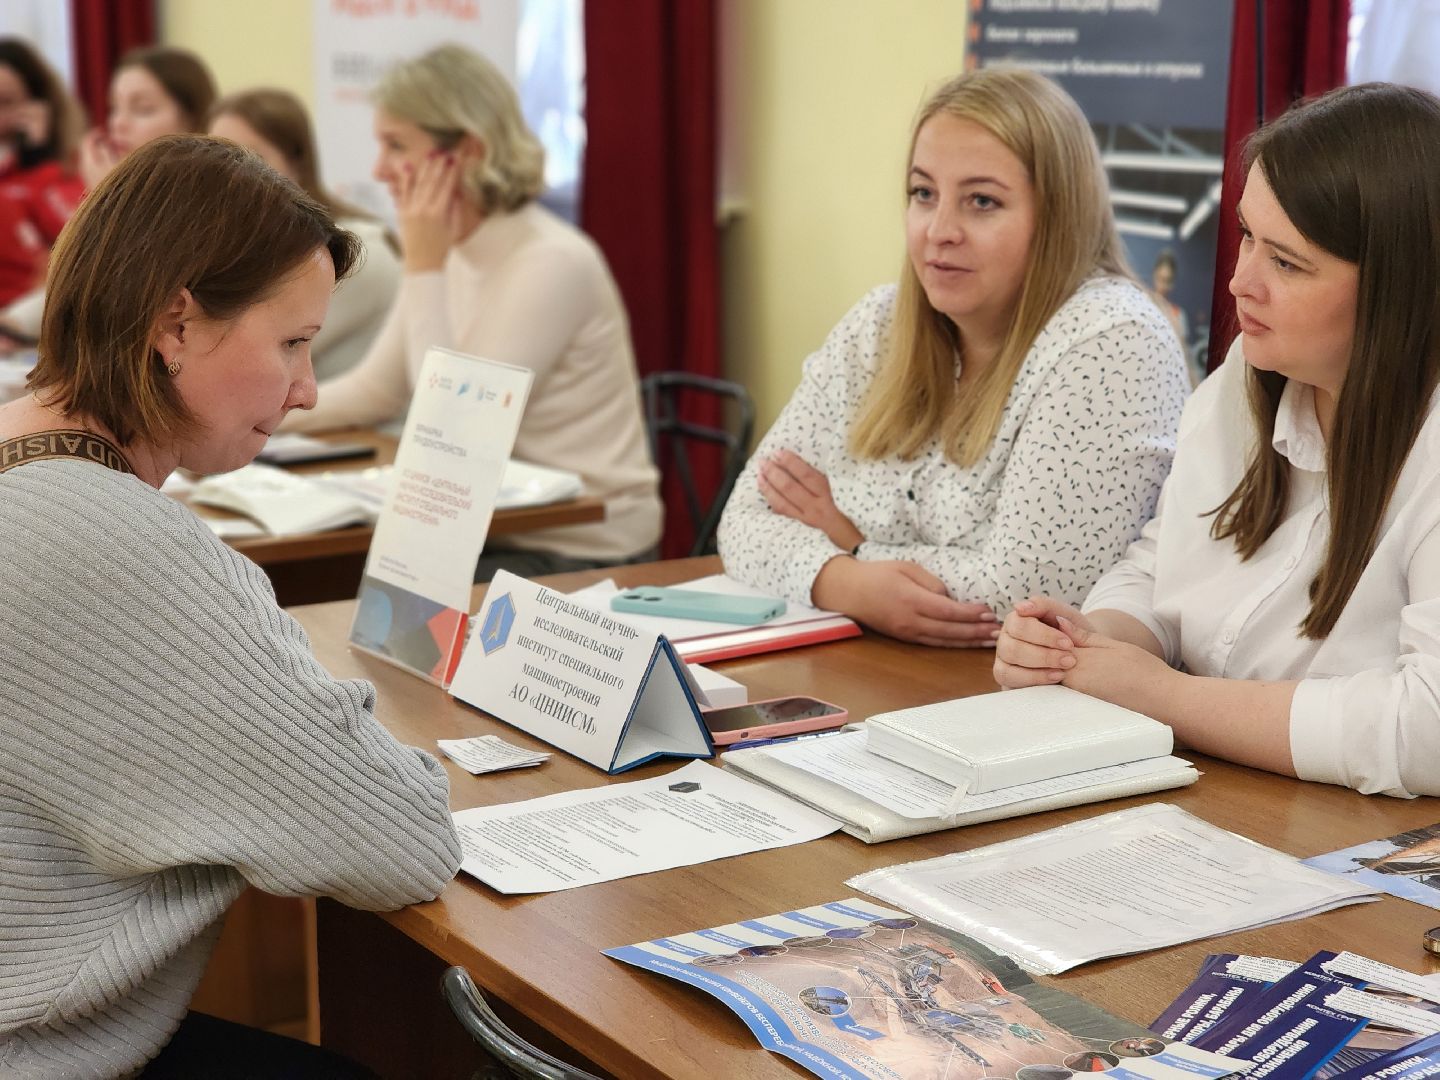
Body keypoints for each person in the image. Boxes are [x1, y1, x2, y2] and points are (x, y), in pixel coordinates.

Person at [0, 135, 463, 1076]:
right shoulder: (118, 542)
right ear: (177, 326)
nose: (307, 390)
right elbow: (400, 842)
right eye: (292, 342)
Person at [993, 83, 1440, 800]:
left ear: (1401, 287)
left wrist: (1157, 695)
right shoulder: (1250, 376)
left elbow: (1427, 732)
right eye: (1246, 236)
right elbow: (1160, 565)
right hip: (1214, 795)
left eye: (1287, 263)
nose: (1239, 282)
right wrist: (1084, 642)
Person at [717, 69, 1187, 646]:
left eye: (981, 202)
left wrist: (853, 543)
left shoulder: (1112, 338)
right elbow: (742, 522)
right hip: (881, 677)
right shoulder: (880, 324)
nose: (939, 230)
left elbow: (1030, 598)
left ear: (1058, 218)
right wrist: (845, 581)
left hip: (1022, 707)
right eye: (923, 193)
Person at [284, 44, 661, 577]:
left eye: (396, 145)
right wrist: (256, 419)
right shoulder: (455, 253)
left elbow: (458, 429)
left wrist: (424, 263)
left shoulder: (551, 261)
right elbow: (377, 390)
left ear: (468, 152)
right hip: (498, 530)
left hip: (579, 546)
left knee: (351, 590)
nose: (380, 170)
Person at [0, 45, 216, 342]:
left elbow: (141, 296)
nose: (117, 123)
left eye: (142, 109)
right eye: (115, 107)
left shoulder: (209, 204)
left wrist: (110, 205)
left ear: (193, 121)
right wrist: (11, 325)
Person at [210, 88, 402, 380]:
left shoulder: (357, 252)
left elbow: (242, 358)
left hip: (351, 424)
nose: (232, 179)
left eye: (252, 159)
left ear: (296, 164)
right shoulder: (244, 245)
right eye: (219, 161)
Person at [0, 38, 85, 307]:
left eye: (4, 101)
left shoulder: (62, 173)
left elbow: (76, 240)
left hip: (30, 317)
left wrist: (37, 159)